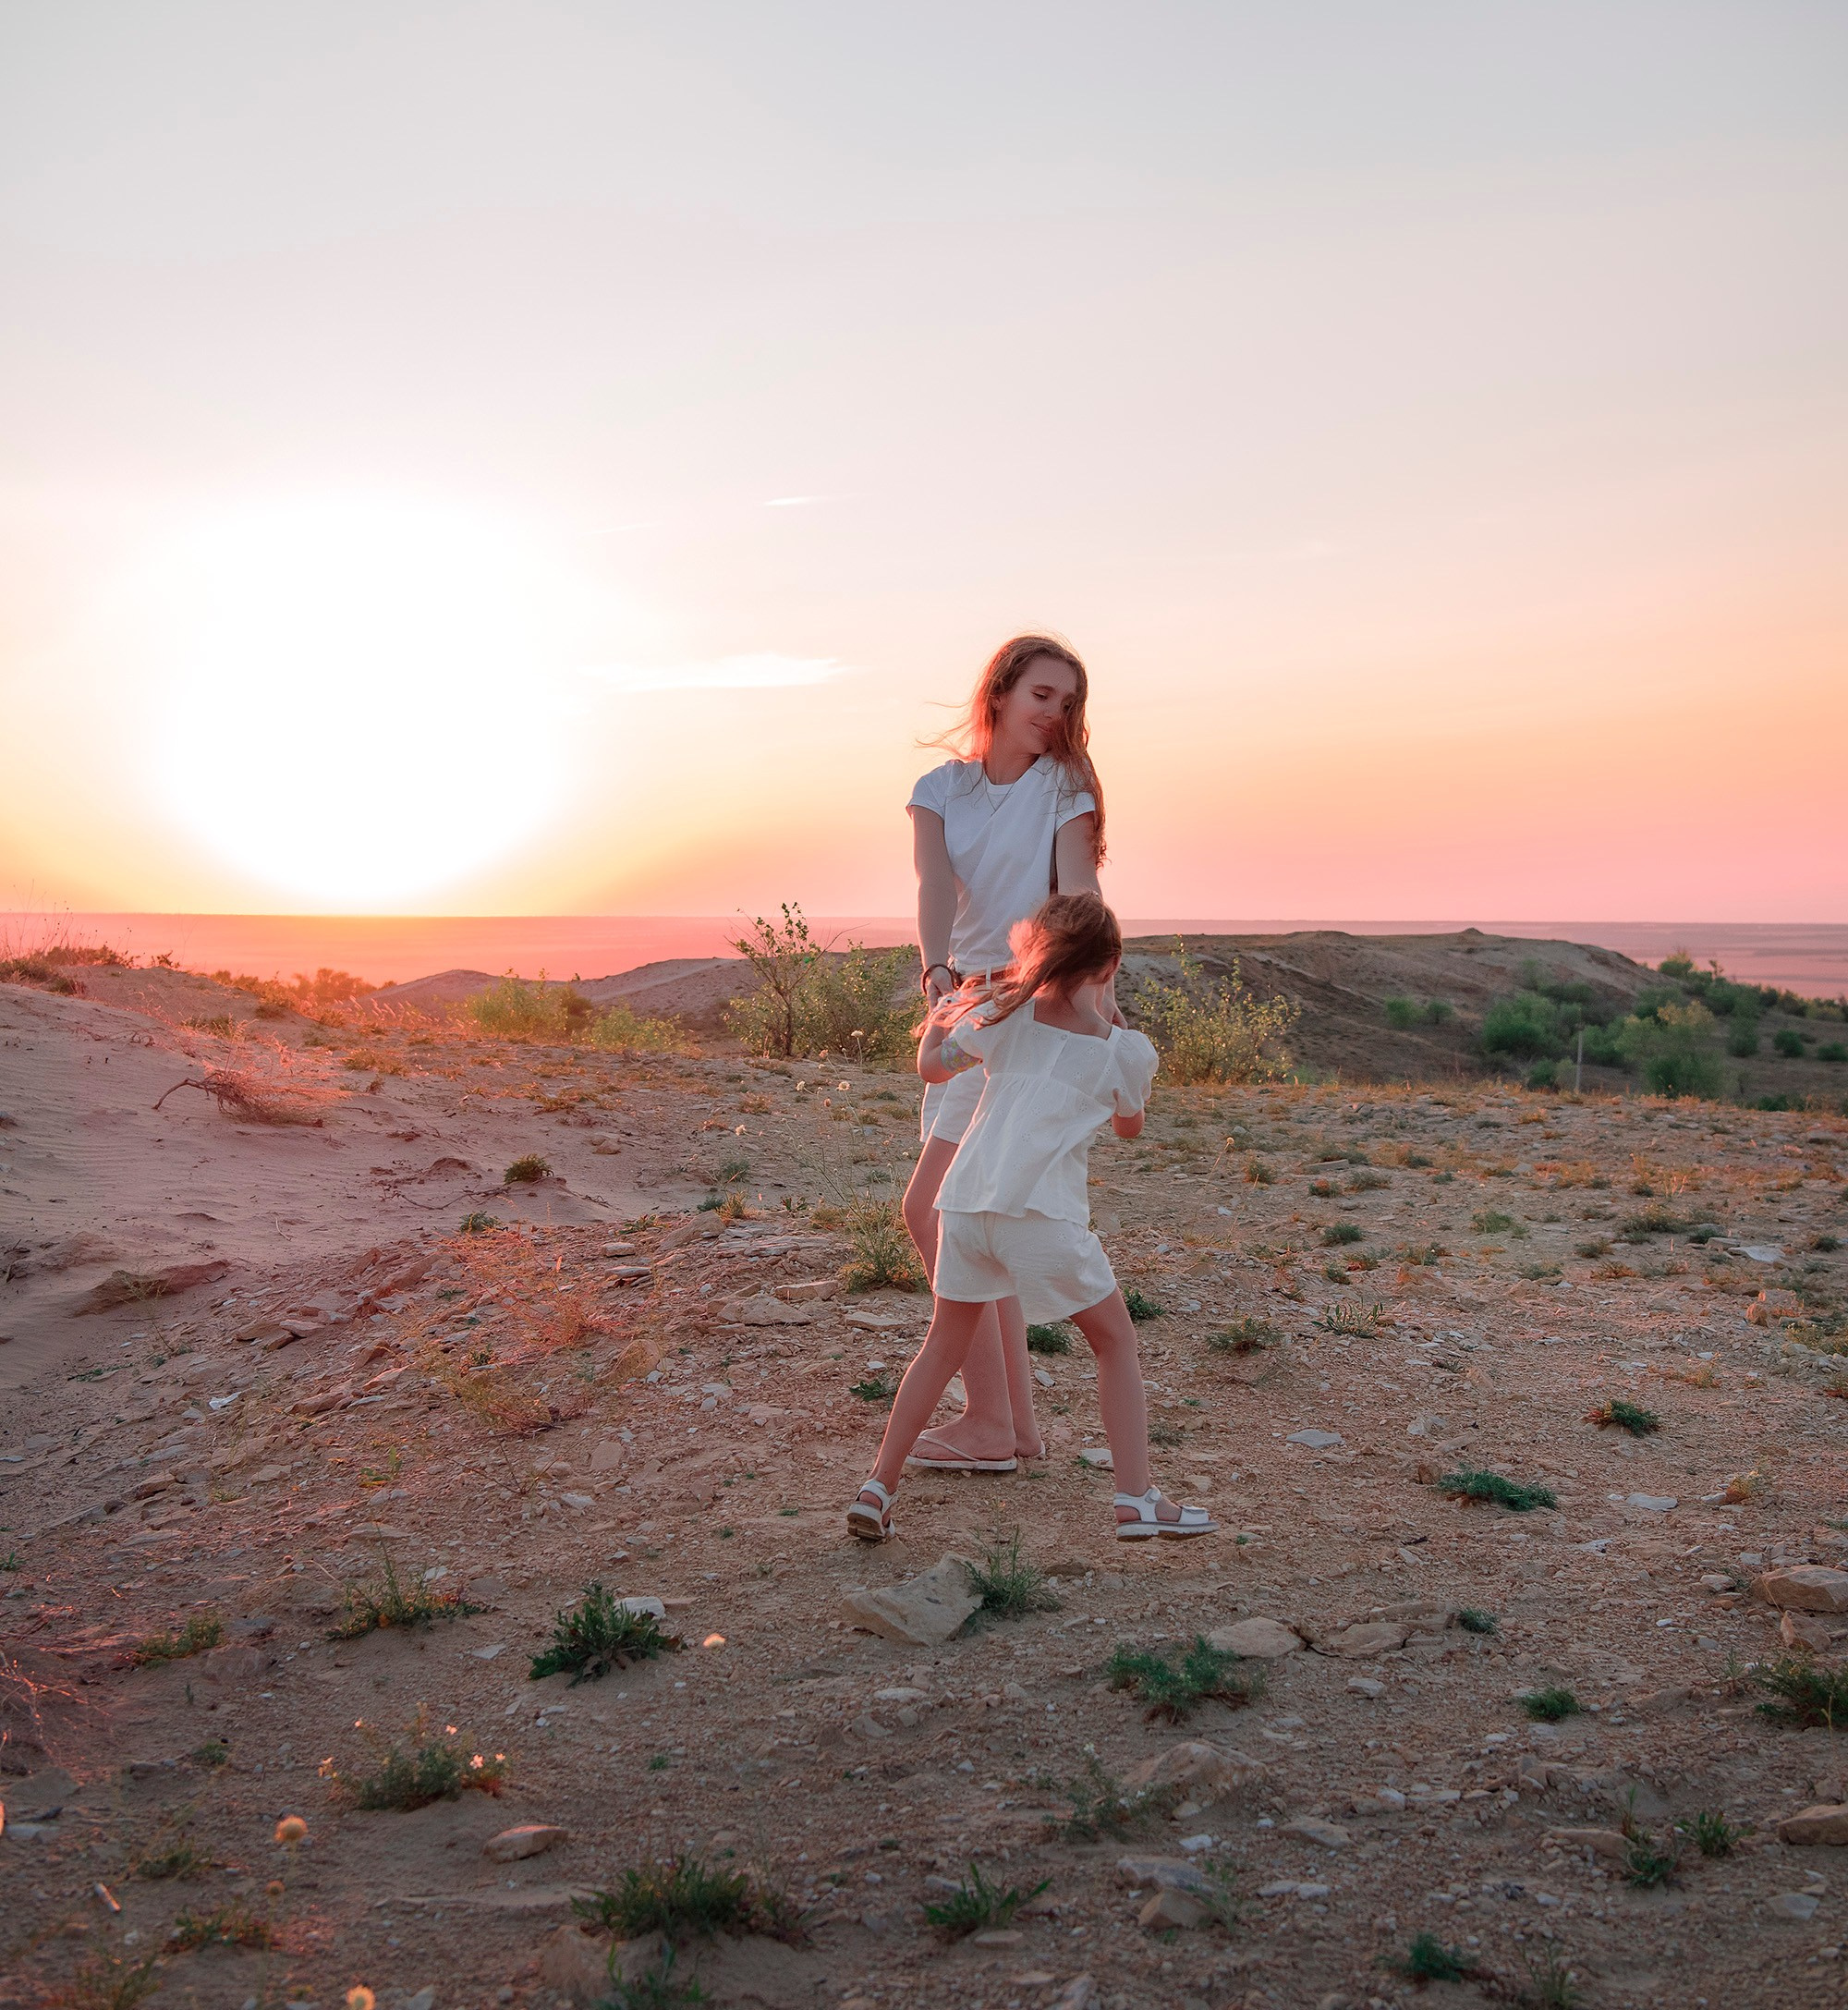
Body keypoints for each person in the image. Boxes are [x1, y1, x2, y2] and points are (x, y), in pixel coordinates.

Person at [846, 894, 1218, 1544]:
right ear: (1110, 966)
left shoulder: (1002, 1019)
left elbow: (933, 1067)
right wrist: (1113, 1027)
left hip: (964, 1205)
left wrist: (941, 1014)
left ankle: (878, 1485)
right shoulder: (1122, 1049)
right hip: (1040, 1214)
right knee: (1115, 1342)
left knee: (942, 1344)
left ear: (1038, 953)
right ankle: (1136, 1497)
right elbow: (1130, 1126)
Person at [904, 634, 1115, 1472]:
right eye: (1041, 695)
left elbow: (1079, 892)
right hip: (964, 1002)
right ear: (998, 691)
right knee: (969, 1216)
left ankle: (990, 1422)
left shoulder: (1064, 785)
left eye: (1067, 702)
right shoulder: (939, 789)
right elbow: (930, 887)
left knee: (939, 1212)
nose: (1054, 714)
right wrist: (936, 981)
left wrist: (1090, 993)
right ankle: (1012, 1429)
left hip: (1030, 998)